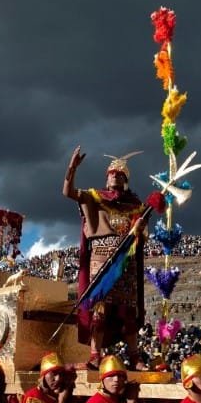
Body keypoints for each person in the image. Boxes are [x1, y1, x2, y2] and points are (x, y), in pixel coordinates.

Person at [63, 146, 148, 368]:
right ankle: (94, 355)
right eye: (111, 173)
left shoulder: (135, 205)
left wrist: (139, 228)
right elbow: (68, 193)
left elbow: (142, 237)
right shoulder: (94, 197)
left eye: (119, 174)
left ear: (125, 179)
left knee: (128, 312)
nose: (114, 177)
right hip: (100, 258)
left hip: (126, 261)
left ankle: (134, 357)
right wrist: (71, 169)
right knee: (99, 310)